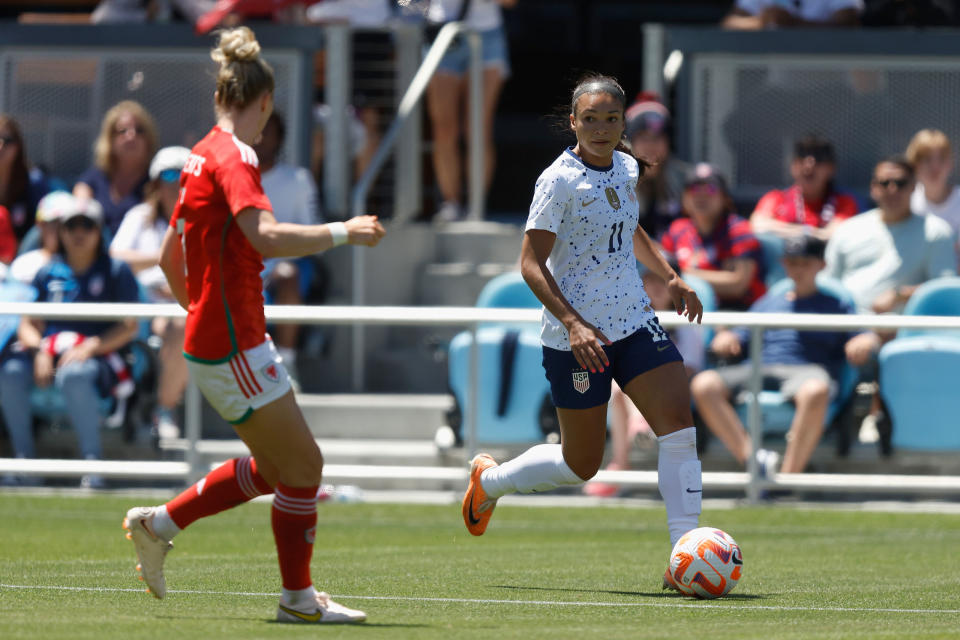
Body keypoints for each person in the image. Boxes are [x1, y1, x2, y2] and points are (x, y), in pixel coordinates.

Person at [122, 27, 384, 624]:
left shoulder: (197, 154)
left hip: (221, 341)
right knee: (306, 469)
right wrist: (345, 230)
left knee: (277, 469)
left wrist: (201, 318)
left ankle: (160, 524)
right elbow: (264, 236)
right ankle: (297, 600)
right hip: (233, 342)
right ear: (263, 103)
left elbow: (170, 258)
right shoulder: (236, 156)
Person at [459, 74, 704, 590]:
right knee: (581, 464)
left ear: (622, 124)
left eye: (610, 119)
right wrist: (573, 324)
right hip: (579, 337)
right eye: (589, 119)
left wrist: (670, 275)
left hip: (634, 321)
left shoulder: (626, 165)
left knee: (678, 426)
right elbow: (529, 263)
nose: (600, 128)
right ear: (572, 122)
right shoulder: (558, 181)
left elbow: (628, 225)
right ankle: (491, 481)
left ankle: (685, 554)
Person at [690, 234, 879, 477]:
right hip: (759, 366)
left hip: (807, 370)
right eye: (792, 262)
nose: (798, 269)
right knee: (703, 384)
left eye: (805, 263)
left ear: (821, 266)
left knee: (816, 391)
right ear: (784, 264)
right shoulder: (768, 302)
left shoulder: (836, 305)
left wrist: (864, 341)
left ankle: (788, 479)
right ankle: (756, 464)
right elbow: (740, 334)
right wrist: (728, 338)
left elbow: (865, 335)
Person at [0, 196, 140, 487]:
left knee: (75, 374)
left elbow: (129, 326)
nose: (78, 232)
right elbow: (27, 323)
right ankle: (25, 464)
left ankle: (94, 466)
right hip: (48, 356)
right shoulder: (48, 271)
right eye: (71, 225)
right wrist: (39, 349)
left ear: (99, 230)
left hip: (98, 359)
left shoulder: (116, 271)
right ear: (60, 232)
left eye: (86, 225)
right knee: (11, 372)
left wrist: (90, 347)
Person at [583, 267, 706, 498]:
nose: (657, 287)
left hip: (676, 389)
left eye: (662, 280)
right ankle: (626, 453)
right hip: (641, 390)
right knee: (618, 387)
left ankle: (623, 459)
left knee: (627, 384)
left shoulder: (686, 319)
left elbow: (689, 368)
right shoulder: (632, 318)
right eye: (650, 280)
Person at [110, 146, 192, 440]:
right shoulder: (139, 215)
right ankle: (164, 409)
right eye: (168, 175)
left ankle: (165, 406)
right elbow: (115, 257)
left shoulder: (208, 219)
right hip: (144, 305)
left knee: (181, 324)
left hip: (192, 305)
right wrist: (163, 257)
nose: (176, 183)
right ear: (155, 183)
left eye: (184, 176)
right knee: (174, 326)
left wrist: (180, 287)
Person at [825, 155, 956, 315]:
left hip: (903, 332)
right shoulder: (847, 230)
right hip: (843, 326)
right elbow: (828, 283)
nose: (892, 190)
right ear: (873, 188)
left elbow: (944, 290)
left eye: (900, 183)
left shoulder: (935, 231)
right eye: (884, 183)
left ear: (914, 187)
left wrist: (900, 295)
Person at [426, 0, 517, 222]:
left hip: (488, 35)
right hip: (442, 32)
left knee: (477, 128)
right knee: (444, 129)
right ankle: (451, 203)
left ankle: (476, 206)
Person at [252, 112, 322, 385]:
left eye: (267, 130)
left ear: (280, 137)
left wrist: (275, 247)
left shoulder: (299, 180)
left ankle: (286, 363)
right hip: (242, 265)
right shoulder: (231, 180)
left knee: (286, 272)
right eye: (255, 130)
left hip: (286, 265)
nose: (260, 138)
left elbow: (315, 233)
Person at [660, 163, 767, 310]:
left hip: (738, 313)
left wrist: (683, 274)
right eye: (694, 188)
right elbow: (659, 272)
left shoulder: (739, 230)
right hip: (688, 309)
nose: (701, 195)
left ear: (725, 198)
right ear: (684, 198)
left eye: (711, 189)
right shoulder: (677, 229)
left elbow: (738, 284)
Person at [750, 135, 860, 241]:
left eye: (818, 158)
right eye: (802, 157)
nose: (809, 165)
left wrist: (785, 231)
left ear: (831, 169)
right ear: (793, 166)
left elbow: (836, 233)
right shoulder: (775, 198)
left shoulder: (844, 202)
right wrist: (807, 232)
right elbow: (758, 226)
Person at [74, 100, 157, 237]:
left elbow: (176, 223)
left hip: (139, 253)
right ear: (110, 140)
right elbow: (80, 213)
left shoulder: (157, 182)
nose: (131, 135)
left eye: (139, 130)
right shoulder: (93, 178)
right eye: (122, 131)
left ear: (148, 139)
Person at [625, 94, 690, 241]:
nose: (651, 146)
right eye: (643, 138)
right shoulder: (616, 180)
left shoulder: (687, 179)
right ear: (630, 143)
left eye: (657, 138)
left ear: (668, 142)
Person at [906, 129, 960, 264]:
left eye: (941, 159)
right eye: (927, 159)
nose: (935, 167)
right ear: (914, 165)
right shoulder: (906, 202)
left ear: (950, 164)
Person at [0, 114, 54, 248]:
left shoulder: (34, 181)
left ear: (18, 146)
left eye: (7, 140)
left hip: (23, 256)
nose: (1, 147)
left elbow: (44, 225)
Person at [7, 191, 72, 284]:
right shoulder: (24, 267)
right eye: (54, 224)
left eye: (68, 225)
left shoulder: (86, 267)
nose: (61, 232)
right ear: (40, 225)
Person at [723, 0, 863, 29]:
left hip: (832, 87)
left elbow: (847, 25)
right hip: (780, 87)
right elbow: (729, 23)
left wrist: (794, 23)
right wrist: (761, 21)